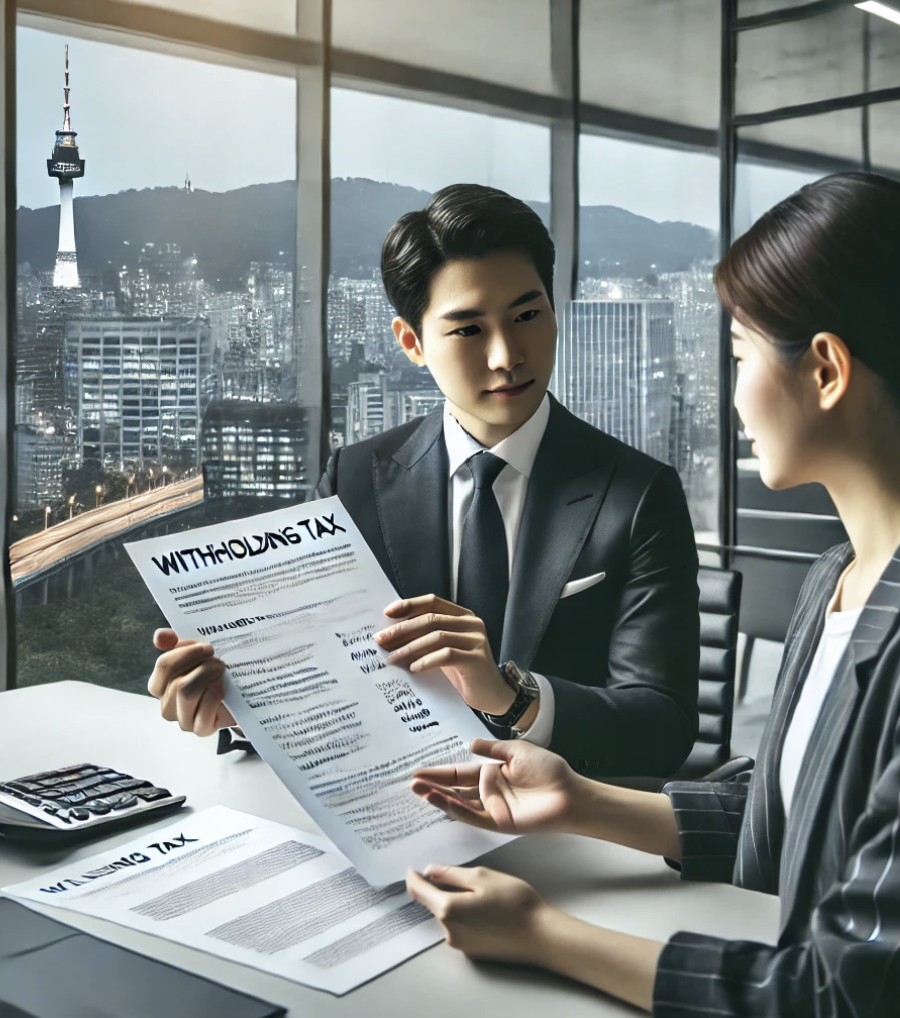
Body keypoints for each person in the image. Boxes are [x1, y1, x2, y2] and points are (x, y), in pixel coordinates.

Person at [405, 172, 900, 1016]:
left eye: (738, 356)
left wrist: (545, 935)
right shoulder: (838, 581)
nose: (730, 393)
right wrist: (583, 800)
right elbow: (789, 806)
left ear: (824, 370)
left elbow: (854, 992)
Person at [146, 184, 701, 778]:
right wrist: (244, 706)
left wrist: (514, 696)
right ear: (412, 343)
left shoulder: (639, 495)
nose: (507, 355)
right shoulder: (354, 479)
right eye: (468, 330)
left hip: (563, 835)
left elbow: (662, 727)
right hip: (395, 816)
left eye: (528, 315)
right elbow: (318, 678)